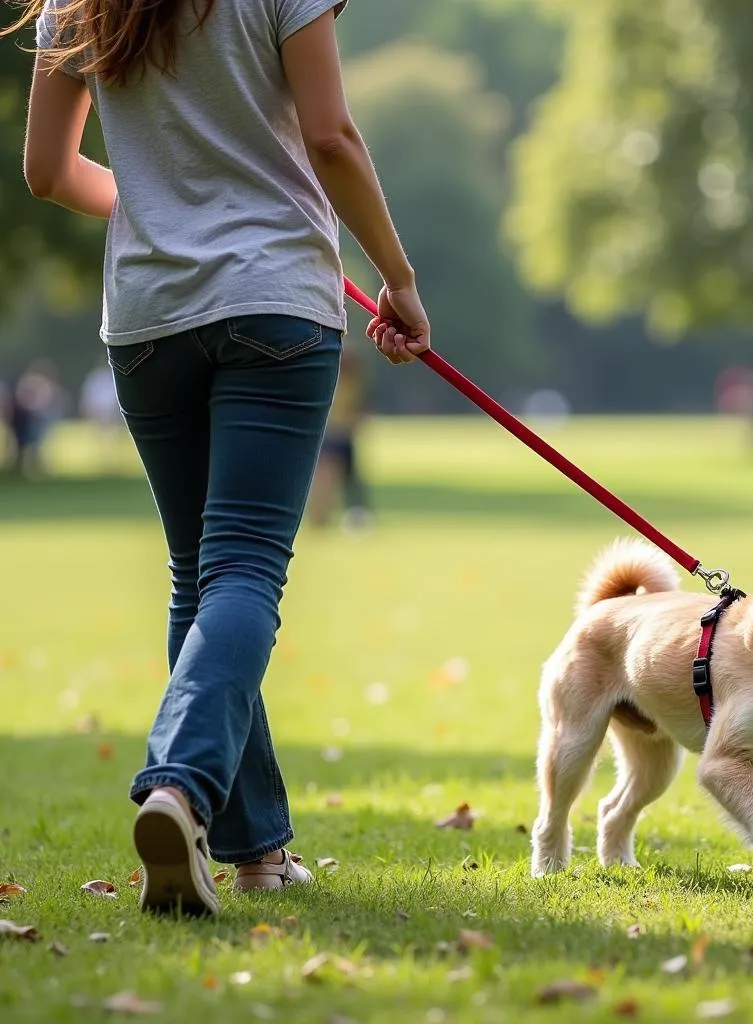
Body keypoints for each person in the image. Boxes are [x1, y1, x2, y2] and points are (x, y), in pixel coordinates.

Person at [9, 0, 430, 916]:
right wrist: (397, 280)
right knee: (241, 570)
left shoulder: (72, 4)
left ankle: (255, 853)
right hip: (274, 298)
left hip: (151, 316)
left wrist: (166, 207)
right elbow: (333, 139)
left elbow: (45, 173)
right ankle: (181, 788)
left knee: (199, 578)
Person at [309, 344, 371, 529]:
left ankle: (356, 515)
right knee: (326, 479)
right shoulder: (330, 382)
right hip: (331, 437)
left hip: (346, 437)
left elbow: (359, 410)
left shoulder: (355, 384)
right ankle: (320, 517)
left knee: (352, 480)